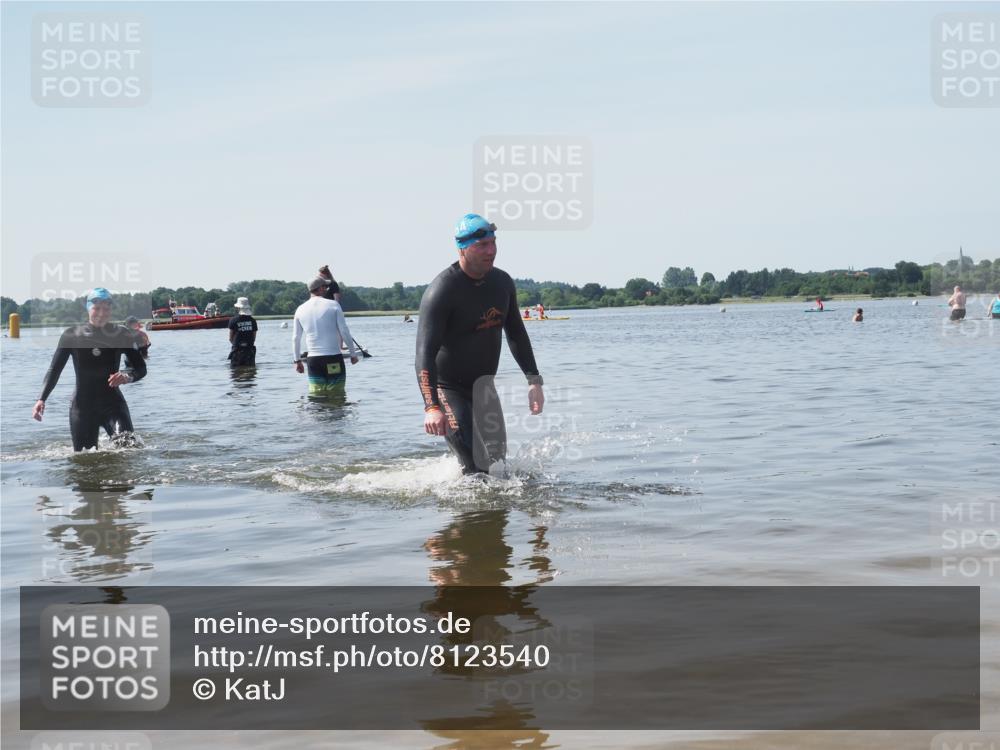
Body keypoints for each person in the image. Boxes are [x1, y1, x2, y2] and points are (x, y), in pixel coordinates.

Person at [416, 214, 544, 475]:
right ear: (462, 248)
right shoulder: (442, 290)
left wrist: (534, 381)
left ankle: (485, 516)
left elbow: (517, 333)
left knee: (498, 465)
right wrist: (431, 407)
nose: (491, 250)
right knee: (476, 468)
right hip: (448, 389)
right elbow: (424, 354)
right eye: (482, 245)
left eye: (493, 243)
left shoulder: (502, 283)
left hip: (484, 388)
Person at [32, 288, 147, 451]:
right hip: (82, 407)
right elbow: (54, 370)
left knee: (129, 449)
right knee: (83, 458)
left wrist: (126, 376)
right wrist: (41, 399)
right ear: (88, 308)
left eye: (106, 308)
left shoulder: (122, 334)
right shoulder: (71, 335)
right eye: (97, 308)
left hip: (113, 405)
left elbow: (140, 368)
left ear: (111, 310)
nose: (101, 313)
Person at [293, 276, 358, 397]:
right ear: (321, 289)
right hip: (333, 358)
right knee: (336, 395)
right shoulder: (333, 305)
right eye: (326, 287)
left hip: (313, 361)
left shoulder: (300, 309)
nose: (327, 289)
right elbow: (344, 331)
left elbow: (296, 338)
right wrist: (353, 354)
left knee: (316, 396)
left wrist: (297, 361)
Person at [228, 297, 257, 367]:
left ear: (238, 308)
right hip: (249, 351)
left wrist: (237, 345)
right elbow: (254, 338)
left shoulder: (233, 320)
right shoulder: (253, 321)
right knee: (250, 374)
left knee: (235, 373)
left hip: (237, 351)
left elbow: (230, 338)